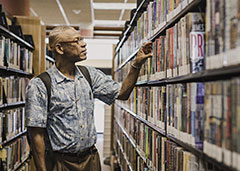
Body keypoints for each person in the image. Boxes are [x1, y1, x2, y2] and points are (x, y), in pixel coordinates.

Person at [25, 26, 152, 171]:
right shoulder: (40, 85)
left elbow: (122, 93)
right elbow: (36, 134)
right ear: (60, 48)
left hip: (91, 160)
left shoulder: (89, 75)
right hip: (60, 163)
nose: (84, 44)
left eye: (82, 39)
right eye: (77, 40)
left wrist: (136, 65)